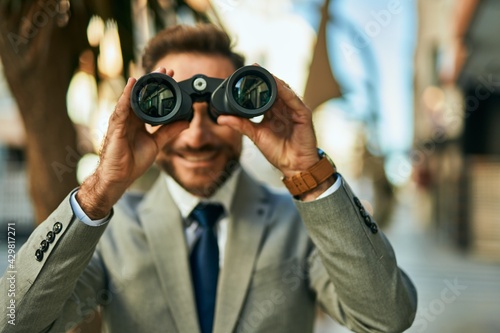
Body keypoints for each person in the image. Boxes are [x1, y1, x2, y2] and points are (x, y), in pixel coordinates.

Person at [0, 24, 417, 333]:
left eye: (218, 111)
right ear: (140, 112)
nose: (196, 135)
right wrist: (97, 193)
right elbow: (13, 322)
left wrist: (312, 177)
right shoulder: (111, 230)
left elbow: (386, 318)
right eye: (172, 108)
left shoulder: (302, 224)